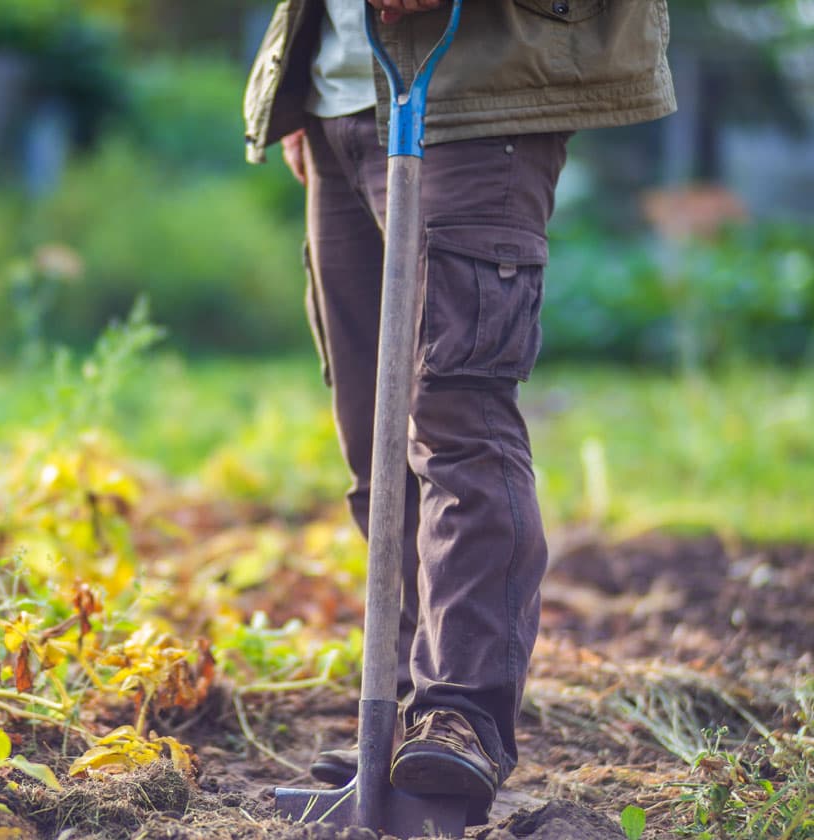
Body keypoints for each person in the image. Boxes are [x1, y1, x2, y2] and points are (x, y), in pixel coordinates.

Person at [243, 0, 675, 826]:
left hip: (475, 98)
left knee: (456, 415)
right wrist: (303, 86)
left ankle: (461, 716)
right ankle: (399, 721)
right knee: (375, 436)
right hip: (341, 98)